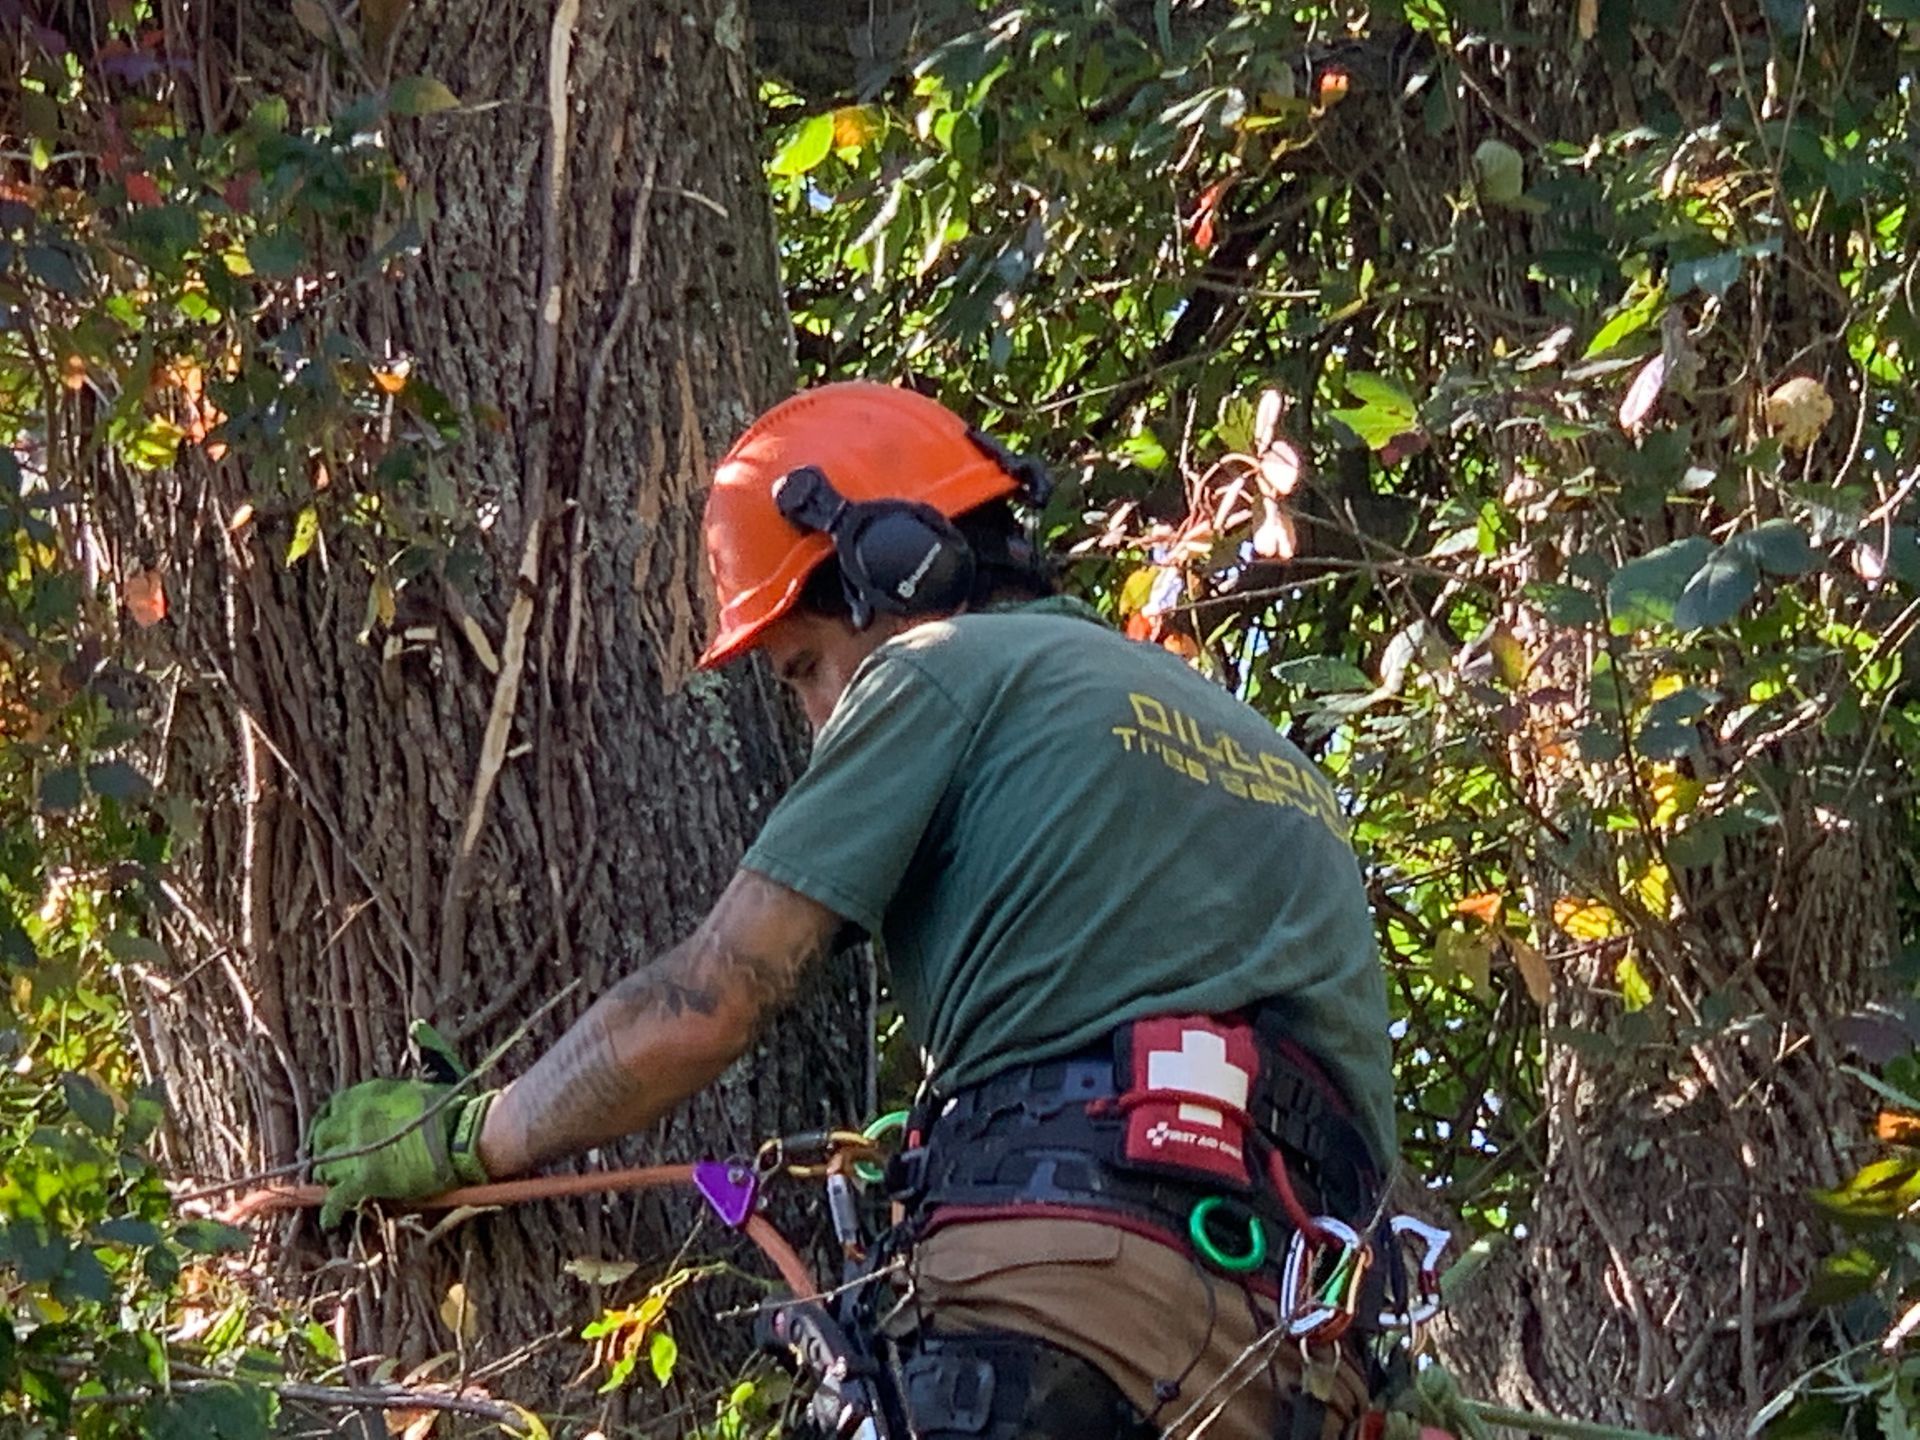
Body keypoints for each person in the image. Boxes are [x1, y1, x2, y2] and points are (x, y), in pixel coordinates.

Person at [309, 381, 1401, 1440]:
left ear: (896, 567)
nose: (819, 713)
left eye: (806, 668)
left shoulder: (935, 665)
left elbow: (708, 1000)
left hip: (1059, 1290)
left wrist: (462, 1137)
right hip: (1298, 1358)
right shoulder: (1269, 757)